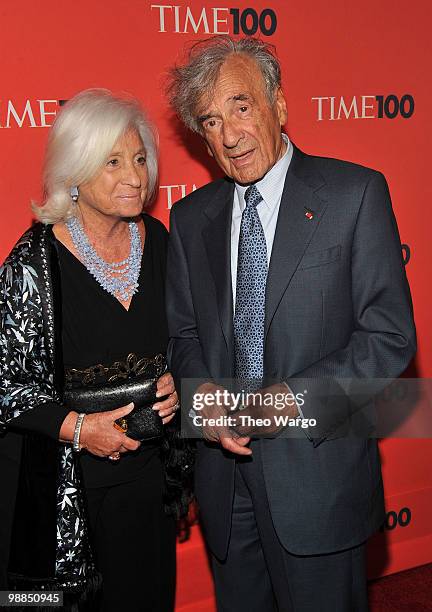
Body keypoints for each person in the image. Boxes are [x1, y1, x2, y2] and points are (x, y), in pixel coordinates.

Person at [166, 36, 416, 611]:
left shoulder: (353, 194)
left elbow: (389, 338)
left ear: (278, 105)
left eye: (241, 106)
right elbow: (182, 336)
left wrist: (273, 405)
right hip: (226, 487)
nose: (229, 134)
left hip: (318, 478)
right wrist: (204, 405)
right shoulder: (190, 219)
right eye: (210, 120)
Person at [0, 89, 185, 612]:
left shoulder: (162, 242)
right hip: (64, 484)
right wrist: (82, 429)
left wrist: (178, 383)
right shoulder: (32, 264)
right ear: (75, 172)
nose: (134, 176)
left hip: (146, 479)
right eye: (113, 162)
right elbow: (4, 382)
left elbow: (187, 341)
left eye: (140, 159)